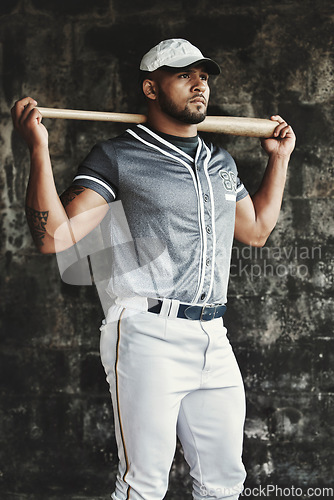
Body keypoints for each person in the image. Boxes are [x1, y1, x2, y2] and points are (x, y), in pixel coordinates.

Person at [11, 39, 295, 500]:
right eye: (184, 75)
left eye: (203, 75)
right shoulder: (119, 156)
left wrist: (278, 160)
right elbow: (53, 238)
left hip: (213, 337)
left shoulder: (220, 162)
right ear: (151, 87)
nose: (199, 83)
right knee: (143, 486)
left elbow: (257, 230)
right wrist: (38, 150)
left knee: (225, 484)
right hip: (146, 332)